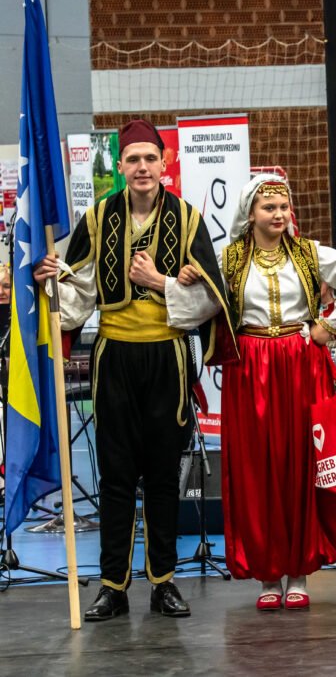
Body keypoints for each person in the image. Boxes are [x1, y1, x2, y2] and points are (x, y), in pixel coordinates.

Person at [33, 119, 231, 621]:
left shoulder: (187, 219)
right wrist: (49, 281)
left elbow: (213, 299)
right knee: (116, 476)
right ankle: (112, 587)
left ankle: (163, 582)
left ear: (165, 164)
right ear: (121, 166)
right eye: (133, 159)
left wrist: (163, 282)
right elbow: (77, 292)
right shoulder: (98, 217)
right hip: (115, 356)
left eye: (150, 158)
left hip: (166, 356)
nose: (142, 167)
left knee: (163, 475)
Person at [203, 174, 336, 610]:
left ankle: (299, 571)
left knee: (301, 463)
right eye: (269, 207)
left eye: (283, 207)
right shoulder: (229, 259)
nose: (279, 214)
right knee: (256, 467)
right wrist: (182, 278)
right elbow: (200, 301)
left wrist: (327, 328)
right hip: (249, 369)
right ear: (250, 214)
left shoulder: (309, 253)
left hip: (301, 363)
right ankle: (266, 575)